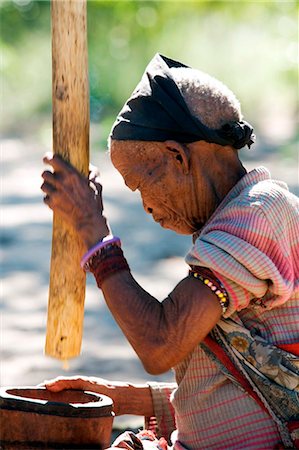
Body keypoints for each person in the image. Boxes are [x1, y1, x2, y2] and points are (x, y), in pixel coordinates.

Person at [41, 54, 299, 449]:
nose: (145, 206)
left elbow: (161, 344)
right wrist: (122, 397)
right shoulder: (232, 225)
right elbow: (233, 389)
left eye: (141, 185)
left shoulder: (260, 210)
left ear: (177, 157)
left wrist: (94, 232)